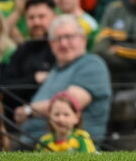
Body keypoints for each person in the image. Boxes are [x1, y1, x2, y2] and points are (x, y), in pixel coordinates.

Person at [17, 14, 112, 146]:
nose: (63, 43)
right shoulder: (55, 70)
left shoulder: (92, 65)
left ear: (83, 39)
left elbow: (69, 103)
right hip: (35, 145)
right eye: (57, 39)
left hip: (71, 149)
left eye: (69, 37)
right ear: (50, 44)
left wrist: (28, 110)